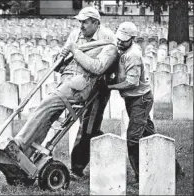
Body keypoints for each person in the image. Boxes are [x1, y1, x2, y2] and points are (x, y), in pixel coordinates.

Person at [14, 7, 119, 160]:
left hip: (87, 85)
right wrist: (60, 57)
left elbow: (98, 67)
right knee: (49, 113)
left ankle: (20, 143)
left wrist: (75, 51)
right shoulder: (76, 34)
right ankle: (27, 153)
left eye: (85, 22)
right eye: (80, 22)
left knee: (56, 109)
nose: (81, 26)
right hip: (67, 81)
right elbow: (61, 64)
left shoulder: (108, 40)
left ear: (96, 23)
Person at [107, 21, 184, 182]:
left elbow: (132, 83)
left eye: (124, 39)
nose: (120, 42)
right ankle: (175, 169)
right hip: (133, 98)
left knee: (133, 137)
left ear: (132, 39)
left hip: (139, 99)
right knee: (151, 137)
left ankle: (140, 176)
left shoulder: (133, 55)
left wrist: (110, 86)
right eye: (119, 38)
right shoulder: (122, 49)